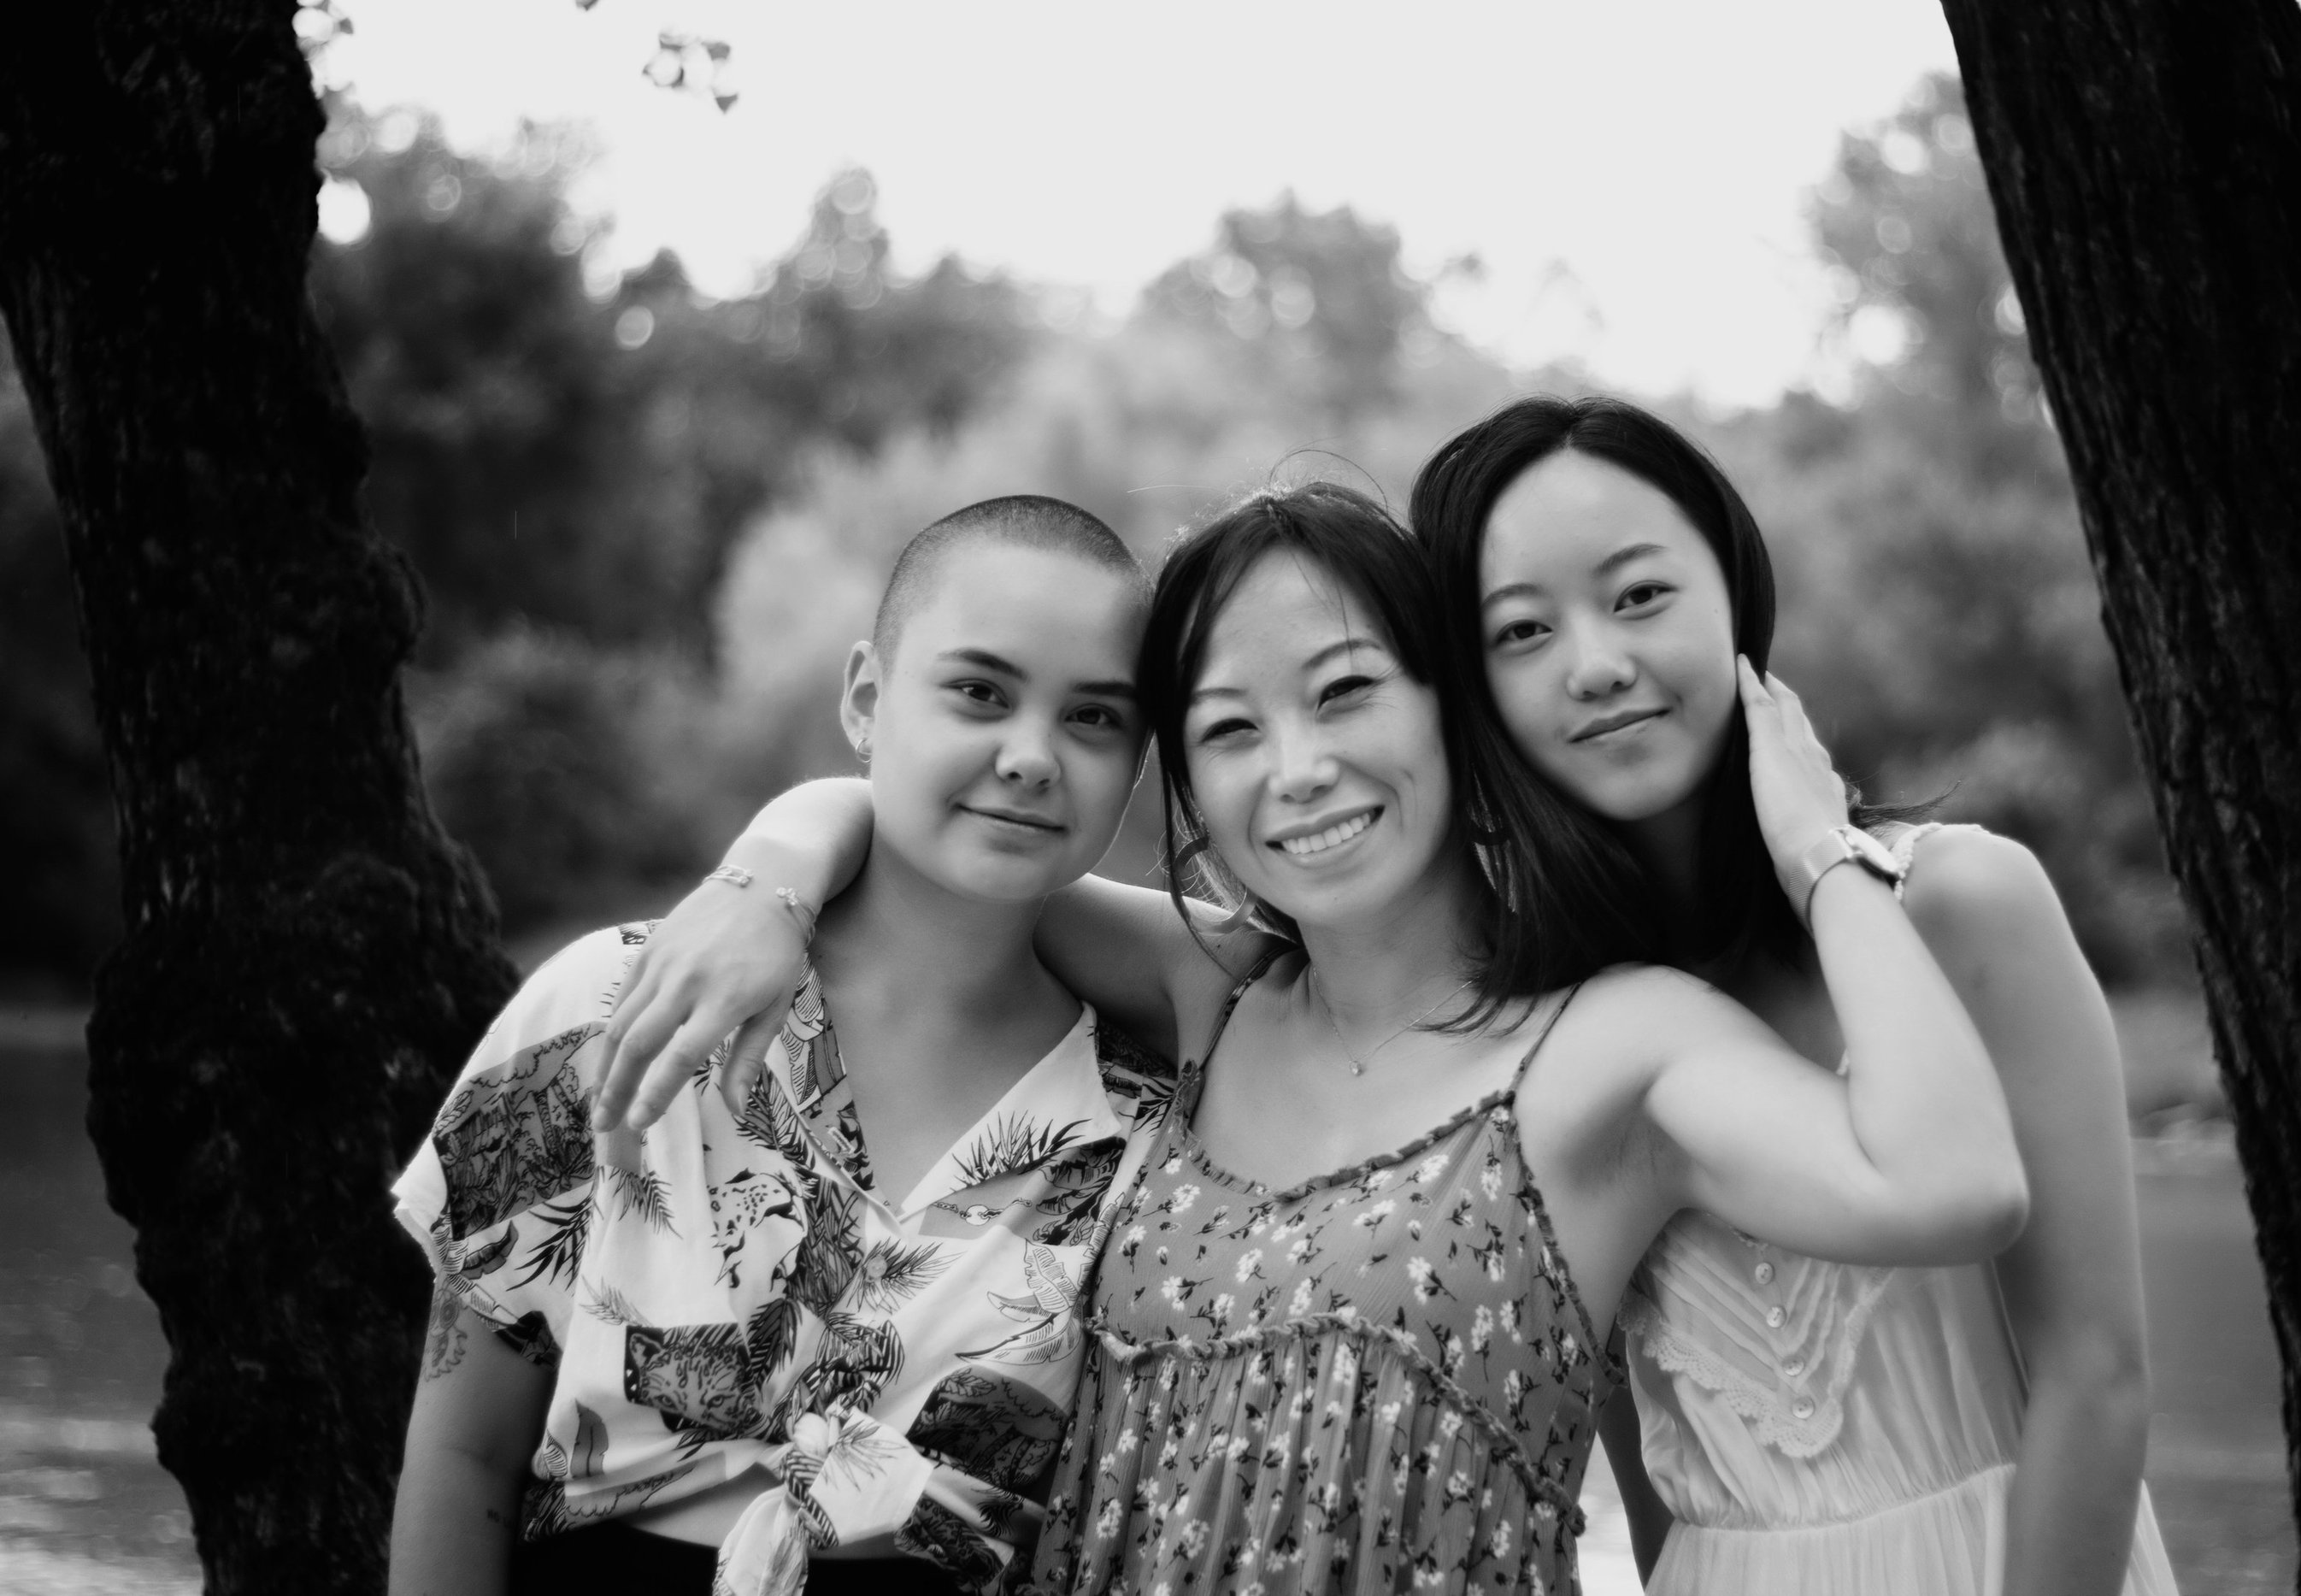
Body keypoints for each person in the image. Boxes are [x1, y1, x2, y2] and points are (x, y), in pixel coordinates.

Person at [589, 481, 2028, 1593]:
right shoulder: (1213, 992)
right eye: (1229, 730)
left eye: (1346, 693)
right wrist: (766, 871)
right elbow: (936, 850)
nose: (1301, 770)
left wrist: (1818, 851)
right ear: (1193, 794)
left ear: (1451, 710)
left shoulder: (1605, 1047)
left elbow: (1952, 1180)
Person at [1407, 394, 2179, 1595]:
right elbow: (1644, 1457)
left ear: (1733, 594)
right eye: (1521, 630)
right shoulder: (1548, 1017)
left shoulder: (1965, 904)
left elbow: (2097, 1370)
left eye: (1640, 595)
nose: (1598, 662)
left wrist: (1820, 858)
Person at [385, 496, 1179, 1596]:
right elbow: (462, 1451)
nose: (1032, 756)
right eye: (979, 692)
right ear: (866, 695)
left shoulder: (1153, 1125)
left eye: (1095, 718)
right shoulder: (616, 1002)